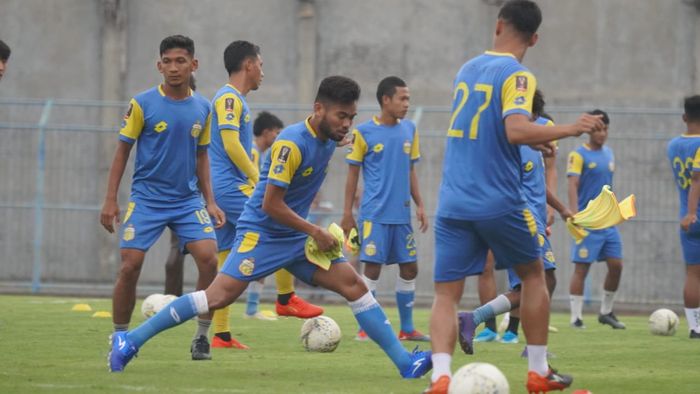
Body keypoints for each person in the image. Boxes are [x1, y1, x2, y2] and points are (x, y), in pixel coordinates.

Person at [108, 76, 433, 380]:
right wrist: (315, 231)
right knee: (218, 296)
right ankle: (130, 341)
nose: (346, 124)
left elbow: (322, 145)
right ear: (318, 109)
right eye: (340, 116)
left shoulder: (326, 138)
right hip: (262, 234)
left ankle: (406, 363)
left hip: (294, 238)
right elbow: (270, 205)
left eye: (351, 117)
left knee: (354, 285)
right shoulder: (290, 144)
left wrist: (336, 140)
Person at [424, 1, 605, 393]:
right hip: (498, 200)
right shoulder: (518, 75)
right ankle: (538, 371)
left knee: (445, 293)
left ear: (498, 24)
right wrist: (570, 128)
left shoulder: (467, 69)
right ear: (535, 38)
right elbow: (516, 130)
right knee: (535, 275)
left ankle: (440, 377)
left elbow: (490, 129)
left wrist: (531, 144)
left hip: (453, 199)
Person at [100, 35, 225, 363]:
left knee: (210, 259)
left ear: (193, 65)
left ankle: (201, 337)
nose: (173, 68)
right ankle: (120, 337)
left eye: (180, 61)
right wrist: (111, 199)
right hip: (147, 199)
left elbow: (202, 157)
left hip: (187, 201)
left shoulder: (204, 107)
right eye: (167, 62)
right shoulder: (142, 103)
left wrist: (210, 201)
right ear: (159, 65)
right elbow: (122, 151)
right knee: (130, 265)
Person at [208, 43, 323, 350]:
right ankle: (286, 298)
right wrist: (260, 180)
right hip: (230, 186)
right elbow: (232, 145)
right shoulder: (229, 98)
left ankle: (220, 335)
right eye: (261, 63)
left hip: (223, 186)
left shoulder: (233, 99)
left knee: (227, 253)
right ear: (248, 65)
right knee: (279, 221)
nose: (263, 71)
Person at [467, 91, 568, 347]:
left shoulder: (535, 137)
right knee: (543, 280)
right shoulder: (511, 142)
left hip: (531, 217)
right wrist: (561, 209)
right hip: (522, 219)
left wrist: (556, 208)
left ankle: (481, 321)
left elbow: (540, 181)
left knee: (535, 283)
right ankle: (527, 343)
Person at [342, 76, 429, 342]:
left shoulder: (410, 130)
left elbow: (411, 169)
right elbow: (352, 174)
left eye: (408, 99)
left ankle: (407, 328)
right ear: (385, 100)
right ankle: (366, 327)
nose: (406, 104)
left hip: (400, 215)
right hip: (375, 215)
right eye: (402, 99)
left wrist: (420, 204)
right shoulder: (364, 133)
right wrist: (347, 214)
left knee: (410, 268)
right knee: (372, 269)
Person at [567, 109, 626, 330]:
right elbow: (572, 184)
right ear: (589, 131)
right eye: (598, 129)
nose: (602, 134)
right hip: (588, 220)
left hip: (608, 222)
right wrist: (575, 214)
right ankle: (576, 318)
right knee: (582, 268)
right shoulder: (578, 155)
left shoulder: (609, 153)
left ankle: (606, 312)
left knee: (616, 265)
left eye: (605, 129)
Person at [666, 95, 700, 339]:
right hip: (693, 212)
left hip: (687, 220)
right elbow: (697, 179)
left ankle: (695, 327)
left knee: (693, 273)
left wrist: (688, 213)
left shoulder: (673, 145)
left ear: (684, 117)